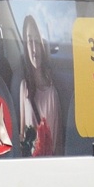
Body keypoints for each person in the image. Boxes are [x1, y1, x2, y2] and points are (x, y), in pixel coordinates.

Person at [18, 15, 62, 156]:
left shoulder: (52, 92)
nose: (33, 49)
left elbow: (58, 144)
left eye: (36, 41)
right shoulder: (24, 88)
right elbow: (22, 138)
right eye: (29, 41)